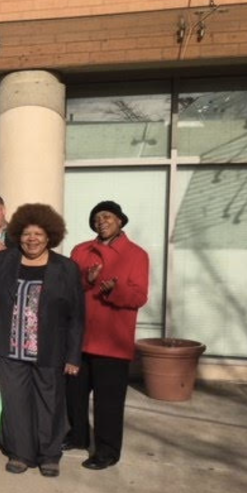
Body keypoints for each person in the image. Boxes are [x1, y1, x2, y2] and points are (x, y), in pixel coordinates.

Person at [0, 203, 84, 478]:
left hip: (50, 351)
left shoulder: (66, 268)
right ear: (18, 236)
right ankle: (20, 453)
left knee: (50, 404)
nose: (31, 239)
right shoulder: (4, 260)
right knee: (16, 404)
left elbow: (77, 316)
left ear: (49, 237)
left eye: (38, 234)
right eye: (26, 234)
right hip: (9, 350)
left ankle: (49, 455)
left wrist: (73, 356)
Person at [67, 200, 149, 470]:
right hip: (80, 338)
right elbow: (67, 288)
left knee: (108, 403)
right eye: (97, 218)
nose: (101, 221)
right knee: (73, 395)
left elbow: (139, 297)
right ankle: (77, 436)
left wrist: (114, 290)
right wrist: (87, 281)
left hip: (113, 341)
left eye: (107, 216)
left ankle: (107, 451)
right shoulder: (80, 250)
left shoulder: (137, 255)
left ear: (120, 221)